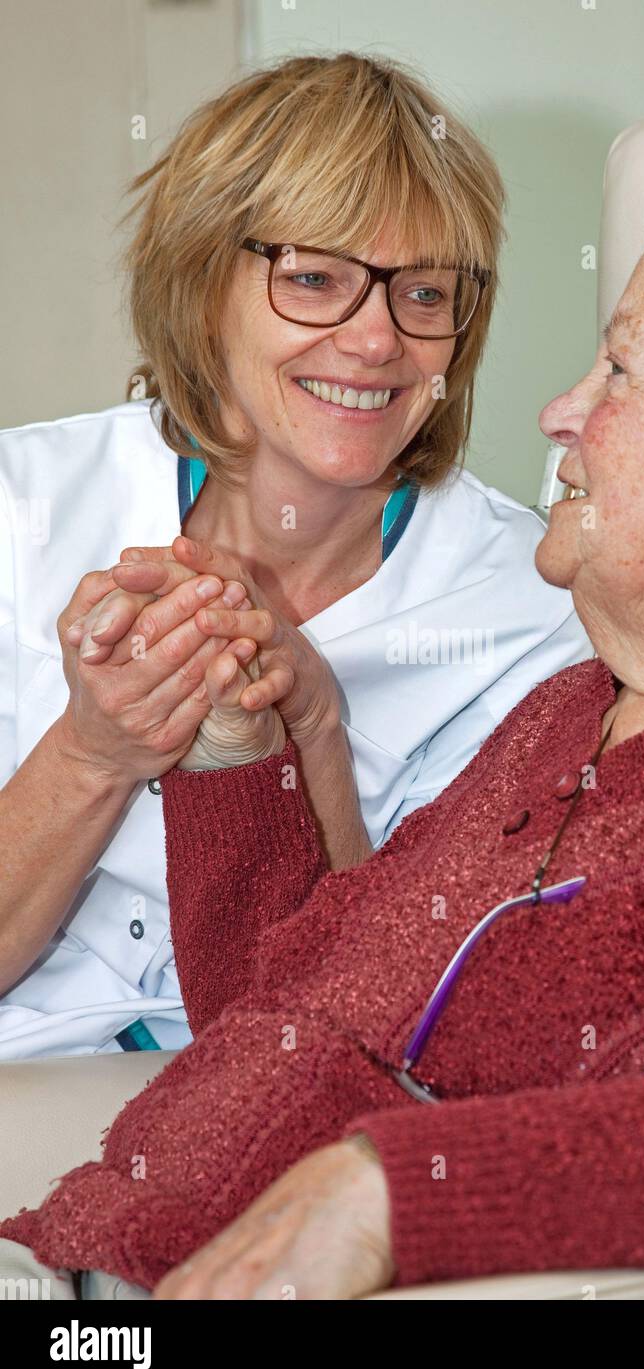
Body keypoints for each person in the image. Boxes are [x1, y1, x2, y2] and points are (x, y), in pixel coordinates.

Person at [3, 142, 644, 1300]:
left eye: (617, 373)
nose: (556, 413)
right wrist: (238, 740)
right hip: (84, 1265)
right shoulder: (573, 714)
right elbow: (289, 1007)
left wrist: (395, 1188)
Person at [0, 53, 588, 1061]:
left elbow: (419, 1027)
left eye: (424, 294)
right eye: (314, 279)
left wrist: (314, 736)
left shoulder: (536, 611)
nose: (374, 341)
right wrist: (93, 753)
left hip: (284, 1115)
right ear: (200, 288)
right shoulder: (25, 506)